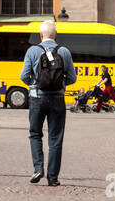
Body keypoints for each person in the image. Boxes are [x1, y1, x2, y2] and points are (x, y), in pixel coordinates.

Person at [19, 19, 77, 186]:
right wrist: (60, 85)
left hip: (37, 97)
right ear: (56, 34)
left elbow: (24, 76)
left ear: (41, 35)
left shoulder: (32, 51)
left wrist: (35, 84)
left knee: (35, 134)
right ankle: (53, 177)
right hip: (58, 99)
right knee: (55, 138)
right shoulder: (64, 51)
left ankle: (38, 168)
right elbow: (72, 78)